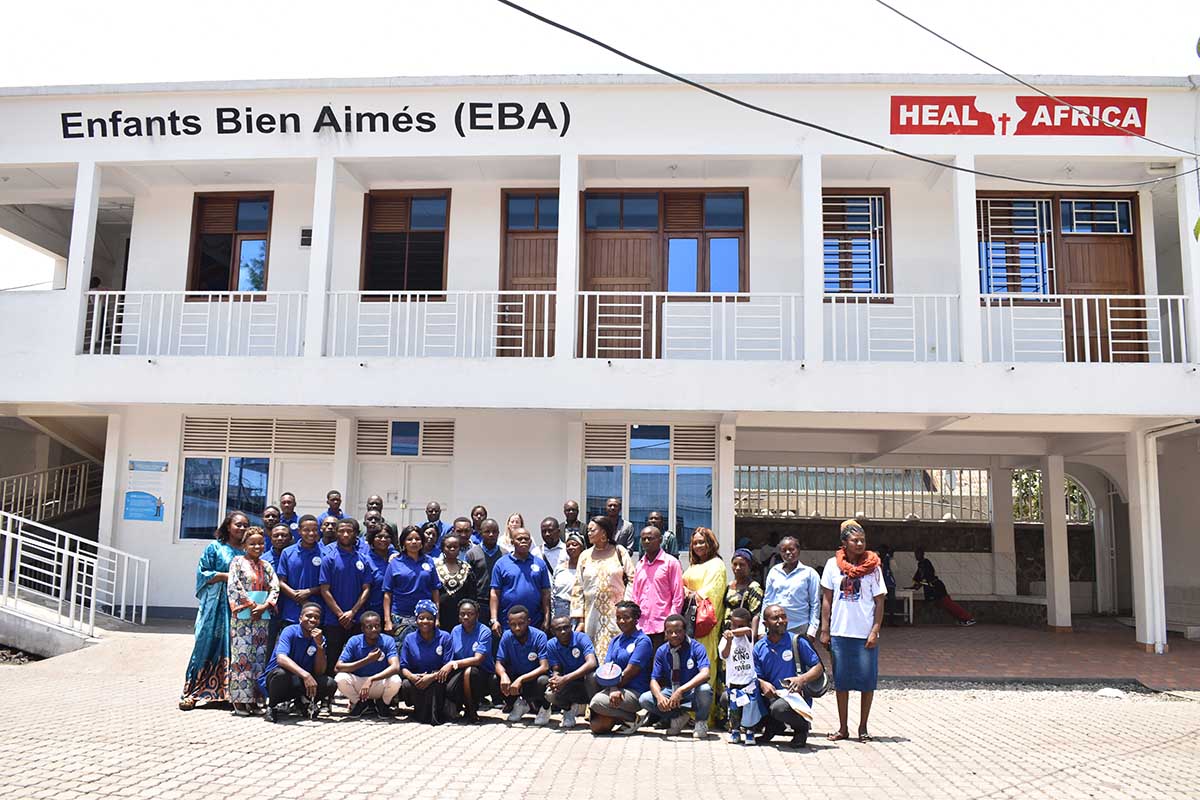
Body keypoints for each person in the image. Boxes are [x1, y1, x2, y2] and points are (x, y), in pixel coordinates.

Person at [821, 520, 887, 743]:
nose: (859, 544)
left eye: (862, 540)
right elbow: (827, 599)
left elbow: (879, 602)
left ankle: (863, 727)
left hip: (864, 635)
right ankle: (842, 728)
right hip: (840, 633)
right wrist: (825, 629)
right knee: (842, 682)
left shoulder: (874, 567)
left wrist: (875, 630)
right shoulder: (832, 565)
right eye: (854, 540)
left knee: (867, 682)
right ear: (844, 543)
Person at [179, 511, 248, 710]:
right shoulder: (215, 547)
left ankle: (226, 693)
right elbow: (203, 573)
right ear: (228, 526)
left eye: (245, 525)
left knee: (234, 647)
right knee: (205, 643)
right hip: (216, 606)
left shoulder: (247, 550)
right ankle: (191, 692)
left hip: (238, 608)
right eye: (238, 524)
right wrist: (227, 576)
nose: (242, 528)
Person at [226, 526, 279, 716]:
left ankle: (255, 699)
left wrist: (264, 606)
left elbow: (275, 587)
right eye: (252, 543)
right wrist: (251, 605)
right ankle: (240, 700)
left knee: (258, 658)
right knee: (242, 657)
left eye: (260, 543)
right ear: (244, 545)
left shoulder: (266, 565)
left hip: (261, 619)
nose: (257, 546)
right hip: (243, 618)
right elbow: (234, 586)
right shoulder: (237, 563)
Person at [755, 604, 824, 747]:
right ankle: (773, 726)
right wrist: (762, 683)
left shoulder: (797, 641)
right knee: (740, 697)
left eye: (783, 616)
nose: (781, 620)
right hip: (771, 695)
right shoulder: (759, 647)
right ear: (765, 623)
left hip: (794, 697)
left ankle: (801, 729)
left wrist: (801, 679)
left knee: (779, 708)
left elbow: (818, 668)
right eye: (775, 618)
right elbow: (755, 675)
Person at [571, 516, 636, 662]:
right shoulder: (584, 556)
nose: (588, 533)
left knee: (618, 651)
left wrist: (625, 605)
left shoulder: (619, 552)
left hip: (616, 614)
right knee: (592, 654)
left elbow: (633, 579)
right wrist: (579, 619)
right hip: (591, 614)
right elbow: (578, 588)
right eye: (588, 530)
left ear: (604, 532)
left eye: (592, 530)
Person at [261, 601, 337, 722]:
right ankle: (272, 706)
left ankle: (302, 703)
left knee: (330, 683)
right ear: (300, 618)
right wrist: (305, 675)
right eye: (309, 616)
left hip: (300, 682)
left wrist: (320, 647)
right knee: (280, 674)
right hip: (281, 680)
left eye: (316, 618)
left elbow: (320, 671)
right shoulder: (289, 631)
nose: (312, 620)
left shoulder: (321, 638)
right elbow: (281, 658)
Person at [639, 614, 713, 738]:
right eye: (670, 632)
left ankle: (701, 722)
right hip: (671, 691)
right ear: (665, 633)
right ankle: (677, 717)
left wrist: (681, 690)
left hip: (692, 692)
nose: (674, 635)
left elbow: (705, 674)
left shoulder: (697, 648)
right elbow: (654, 680)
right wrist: (659, 697)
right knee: (644, 699)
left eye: (678, 631)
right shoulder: (662, 651)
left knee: (705, 690)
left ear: (685, 631)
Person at [587, 600, 653, 734]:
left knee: (596, 702)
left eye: (626, 617)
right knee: (597, 727)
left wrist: (614, 687)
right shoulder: (615, 640)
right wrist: (613, 688)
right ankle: (613, 716)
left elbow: (630, 672)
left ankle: (633, 718)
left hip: (634, 691)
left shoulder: (643, 641)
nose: (621, 621)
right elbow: (607, 668)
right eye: (618, 618)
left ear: (636, 619)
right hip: (615, 687)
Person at [682, 526, 727, 724]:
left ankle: (704, 715)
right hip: (688, 622)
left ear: (711, 544)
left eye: (702, 542)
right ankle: (686, 711)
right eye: (695, 543)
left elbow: (713, 593)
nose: (698, 546)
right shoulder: (692, 566)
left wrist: (691, 594)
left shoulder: (717, 565)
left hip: (705, 625)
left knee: (704, 663)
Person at [318, 517, 372, 676]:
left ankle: (352, 695)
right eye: (341, 531)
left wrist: (352, 613)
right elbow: (324, 589)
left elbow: (367, 588)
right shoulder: (329, 559)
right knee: (332, 657)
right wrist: (340, 614)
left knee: (355, 657)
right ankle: (329, 695)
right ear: (336, 533)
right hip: (333, 619)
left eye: (349, 531)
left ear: (356, 534)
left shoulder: (363, 559)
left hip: (356, 619)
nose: (346, 534)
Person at [717, 547, 764, 728]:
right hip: (727, 637)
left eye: (742, 565)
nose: (737, 568)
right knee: (726, 674)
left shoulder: (754, 588)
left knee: (742, 678)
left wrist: (751, 640)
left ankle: (746, 721)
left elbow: (755, 615)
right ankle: (728, 718)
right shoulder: (730, 586)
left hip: (742, 639)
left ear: (749, 567)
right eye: (735, 564)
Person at [334, 610, 402, 717]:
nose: (374, 629)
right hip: (359, 684)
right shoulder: (354, 641)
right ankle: (360, 704)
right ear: (362, 629)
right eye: (369, 627)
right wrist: (367, 660)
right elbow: (338, 667)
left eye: (377, 626)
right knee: (340, 678)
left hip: (379, 682)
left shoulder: (388, 640)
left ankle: (383, 704)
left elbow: (395, 667)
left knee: (396, 680)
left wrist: (372, 679)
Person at [383, 526, 442, 645]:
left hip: (425, 617)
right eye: (409, 539)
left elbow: (435, 591)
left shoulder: (429, 561)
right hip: (400, 616)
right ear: (403, 542)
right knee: (401, 652)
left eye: (417, 539)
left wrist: (437, 617)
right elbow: (387, 594)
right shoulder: (395, 563)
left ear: (422, 542)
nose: (414, 542)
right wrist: (387, 620)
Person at [630, 525, 684, 651]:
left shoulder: (671, 563)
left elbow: (678, 596)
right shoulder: (640, 565)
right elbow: (635, 596)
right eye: (643, 539)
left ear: (660, 540)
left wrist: (671, 625)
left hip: (663, 628)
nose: (646, 542)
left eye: (650, 538)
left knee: (661, 667)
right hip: (641, 627)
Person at [399, 600, 453, 725]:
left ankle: (437, 713)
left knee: (436, 685)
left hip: (438, 678)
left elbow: (447, 665)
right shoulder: (409, 638)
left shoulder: (445, 637)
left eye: (429, 618)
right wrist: (412, 677)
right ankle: (419, 711)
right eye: (421, 618)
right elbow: (403, 666)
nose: (425, 621)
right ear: (416, 619)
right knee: (406, 684)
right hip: (417, 678)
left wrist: (431, 677)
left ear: (434, 620)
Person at [494, 605, 551, 725]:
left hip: (533, 678)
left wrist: (521, 679)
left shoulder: (539, 636)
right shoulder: (506, 636)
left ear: (528, 622)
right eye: (513, 624)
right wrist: (503, 675)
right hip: (516, 677)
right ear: (508, 624)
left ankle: (545, 708)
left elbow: (544, 666)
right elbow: (499, 662)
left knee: (544, 681)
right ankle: (519, 704)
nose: (517, 628)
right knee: (495, 678)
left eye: (521, 623)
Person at [491, 527, 551, 634]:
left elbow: (545, 593)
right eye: (519, 539)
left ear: (530, 542)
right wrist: (494, 619)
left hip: (535, 621)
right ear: (512, 542)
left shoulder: (540, 564)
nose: (523, 541)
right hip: (508, 622)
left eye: (526, 539)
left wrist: (547, 618)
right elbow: (495, 593)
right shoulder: (501, 564)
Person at [760, 536, 821, 640]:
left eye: (792, 549)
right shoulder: (774, 571)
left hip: (800, 627)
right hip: (776, 627)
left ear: (798, 550)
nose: (788, 552)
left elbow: (815, 603)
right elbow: (767, 601)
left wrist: (812, 631)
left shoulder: (810, 573)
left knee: (798, 655)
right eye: (784, 550)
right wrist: (762, 629)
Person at [544, 615, 598, 728]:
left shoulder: (581, 638)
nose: (563, 631)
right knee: (550, 694)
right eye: (559, 629)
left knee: (592, 676)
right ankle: (567, 710)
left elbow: (592, 663)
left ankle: (596, 711)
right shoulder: (551, 645)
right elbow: (556, 669)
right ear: (553, 631)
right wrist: (556, 679)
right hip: (569, 684)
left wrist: (565, 679)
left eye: (566, 627)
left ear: (571, 627)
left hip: (587, 683)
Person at [719, 606, 762, 745]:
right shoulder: (726, 640)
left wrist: (732, 631)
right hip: (734, 682)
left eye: (740, 625)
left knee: (750, 708)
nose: (736, 628)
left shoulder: (748, 637)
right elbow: (724, 655)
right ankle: (735, 731)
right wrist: (729, 640)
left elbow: (748, 631)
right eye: (733, 625)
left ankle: (750, 733)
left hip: (749, 681)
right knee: (734, 709)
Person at [445, 599, 494, 721]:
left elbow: (478, 660)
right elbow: (451, 656)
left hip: (482, 673)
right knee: (448, 685)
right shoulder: (455, 631)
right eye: (462, 614)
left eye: (470, 614)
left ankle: (471, 710)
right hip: (460, 671)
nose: (466, 617)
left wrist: (454, 664)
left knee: (470, 672)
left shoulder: (484, 631)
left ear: (477, 615)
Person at [276, 515, 324, 628]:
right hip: (291, 612)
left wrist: (309, 592)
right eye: (307, 530)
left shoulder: (325, 554)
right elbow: (281, 581)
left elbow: (328, 584)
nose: (311, 534)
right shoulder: (287, 552)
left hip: (316, 613)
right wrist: (295, 596)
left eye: (314, 530)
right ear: (299, 531)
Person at [912, 546, 976, 626]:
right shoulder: (920, 564)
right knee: (946, 606)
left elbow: (927, 577)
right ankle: (961, 619)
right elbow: (919, 577)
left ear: (922, 554)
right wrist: (915, 585)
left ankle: (969, 618)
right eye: (915, 554)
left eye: (917, 554)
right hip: (933, 589)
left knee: (949, 604)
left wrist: (918, 585)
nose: (916, 556)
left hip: (937, 587)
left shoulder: (926, 562)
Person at [464, 518, 503, 628]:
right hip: (479, 603)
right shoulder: (471, 554)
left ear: (498, 533)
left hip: (500, 604)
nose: (491, 534)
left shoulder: (504, 555)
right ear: (480, 533)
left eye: (494, 532)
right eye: (487, 531)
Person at [434, 534, 475, 632]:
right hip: (440, 616)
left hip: (461, 617)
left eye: (455, 547)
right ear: (443, 548)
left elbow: (472, 595)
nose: (452, 549)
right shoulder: (435, 568)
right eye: (449, 547)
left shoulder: (467, 569)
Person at [263, 523, 294, 651]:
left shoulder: (295, 556)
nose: (280, 538)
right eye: (276, 535)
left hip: (291, 609)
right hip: (270, 611)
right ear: (271, 538)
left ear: (291, 537)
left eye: (284, 535)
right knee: (268, 645)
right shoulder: (264, 560)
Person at [363, 523, 395, 619]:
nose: (383, 540)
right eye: (379, 537)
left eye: (387, 537)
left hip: (395, 611)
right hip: (372, 611)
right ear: (372, 538)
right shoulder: (365, 560)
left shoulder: (397, 558)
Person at [551, 532, 585, 620]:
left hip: (580, 610)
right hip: (560, 610)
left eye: (574, 545)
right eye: (568, 545)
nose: (570, 547)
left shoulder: (587, 568)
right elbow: (553, 592)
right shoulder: (559, 568)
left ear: (582, 547)